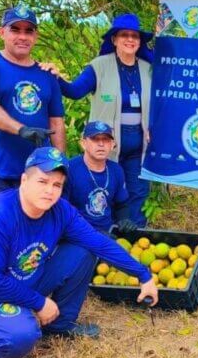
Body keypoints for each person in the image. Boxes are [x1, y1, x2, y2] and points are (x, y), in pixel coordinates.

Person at [0, 147, 158, 358]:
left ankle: (59, 325)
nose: (49, 191)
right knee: (22, 336)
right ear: (24, 180)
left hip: (23, 279)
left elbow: (99, 242)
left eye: (57, 185)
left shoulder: (60, 211)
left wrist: (143, 275)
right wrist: (39, 303)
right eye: (42, 181)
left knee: (83, 252)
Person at [41, 13, 153, 227]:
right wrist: (55, 77)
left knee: (137, 193)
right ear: (114, 39)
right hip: (106, 142)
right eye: (124, 35)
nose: (130, 39)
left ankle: (135, 236)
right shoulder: (99, 66)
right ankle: (106, 236)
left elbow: (162, 101)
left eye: (135, 36)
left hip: (139, 145)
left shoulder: (148, 69)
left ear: (140, 41)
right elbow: (74, 91)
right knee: (107, 190)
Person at [0, 5, 67, 203]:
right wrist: (22, 130)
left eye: (28, 31)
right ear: (2, 32)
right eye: (15, 30)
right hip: (0, 170)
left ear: (35, 36)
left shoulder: (46, 74)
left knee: (37, 222)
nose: (22, 37)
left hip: (39, 172)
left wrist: (60, 164)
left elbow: (56, 123)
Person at [62, 121, 137, 233]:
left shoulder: (116, 170)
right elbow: (62, 212)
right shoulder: (69, 169)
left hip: (108, 232)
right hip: (77, 233)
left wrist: (124, 220)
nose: (101, 144)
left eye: (106, 140)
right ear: (83, 143)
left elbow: (121, 204)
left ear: (112, 144)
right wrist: (93, 234)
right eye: (95, 139)